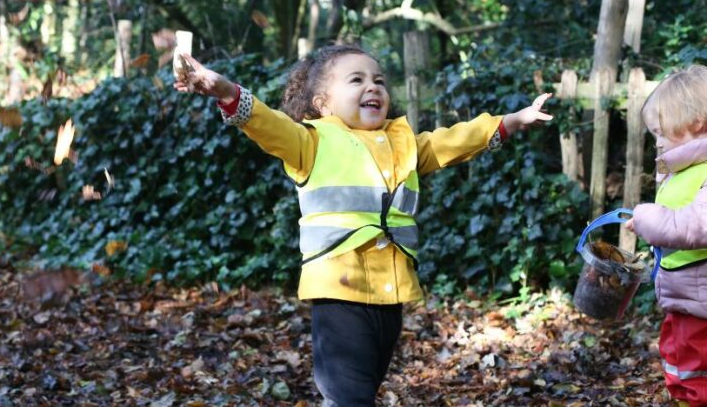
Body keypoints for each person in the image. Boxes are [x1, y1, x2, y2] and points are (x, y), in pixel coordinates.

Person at [175, 45, 552, 406]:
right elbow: (266, 123)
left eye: (379, 80)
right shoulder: (310, 141)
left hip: (391, 293)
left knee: (363, 392)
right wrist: (225, 91)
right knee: (348, 398)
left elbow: (455, 141)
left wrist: (511, 121)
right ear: (322, 103)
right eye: (356, 80)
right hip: (339, 292)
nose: (373, 86)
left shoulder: (405, 145)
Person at [625, 65, 707, 407]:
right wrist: (647, 224)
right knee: (678, 359)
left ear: (695, 124)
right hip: (686, 296)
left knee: (695, 372)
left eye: (660, 133)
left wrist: (649, 217)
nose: (656, 142)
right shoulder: (684, 170)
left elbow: (695, 226)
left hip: (700, 303)